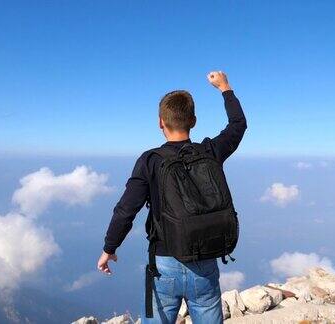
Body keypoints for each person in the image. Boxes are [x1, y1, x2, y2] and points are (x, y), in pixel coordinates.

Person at [97, 71, 247, 324]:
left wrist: (109, 248)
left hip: (164, 263)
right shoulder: (210, 152)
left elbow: (126, 210)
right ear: (194, 121)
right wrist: (225, 88)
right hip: (205, 261)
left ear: (160, 123)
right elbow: (237, 125)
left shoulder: (150, 160)